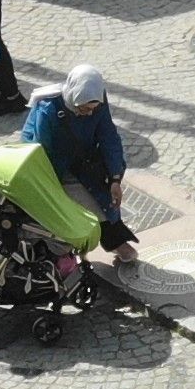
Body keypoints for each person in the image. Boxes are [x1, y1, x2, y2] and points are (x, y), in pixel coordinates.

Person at [22, 65, 140, 258]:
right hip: (53, 164)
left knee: (104, 200)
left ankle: (114, 241)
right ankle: (66, 254)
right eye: (84, 109)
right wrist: (50, 186)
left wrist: (115, 178)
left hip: (83, 160)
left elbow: (109, 136)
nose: (89, 114)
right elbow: (40, 151)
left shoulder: (97, 102)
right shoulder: (48, 111)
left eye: (93, 109)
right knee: (68, 208)